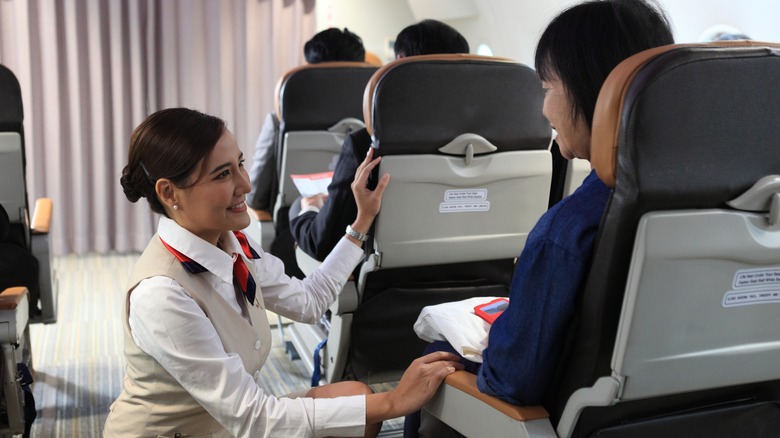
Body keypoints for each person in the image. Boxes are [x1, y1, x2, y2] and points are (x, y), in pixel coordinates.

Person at [105, 108, 464, 438]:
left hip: (227, 422)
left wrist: (361, 221)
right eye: (223, 174)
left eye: (240, 164)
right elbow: (255, 419)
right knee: (371, 407)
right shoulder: (161, 294)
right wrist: (395, 401)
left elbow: (308, 302)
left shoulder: (232, 244)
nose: (245, 184)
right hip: (189, 431)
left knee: (359, 403)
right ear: (169, 193)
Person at [405, 0, 674, 436]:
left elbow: (514, 378)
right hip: (704, 411)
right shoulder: (729, 204)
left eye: (548, 88)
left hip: (566, 421)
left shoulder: (569, 230)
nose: (544, 111)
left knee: (436, 357)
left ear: (592, 93)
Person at [290, 19, 470, 261]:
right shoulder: (493, 141)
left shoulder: (366, 144)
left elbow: (324, 243)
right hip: (484, 278)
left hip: (385, 286)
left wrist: (308, 210)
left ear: (398, 64)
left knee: (297, 208)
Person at [247, 27, 366, 222]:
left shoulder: (279, 122)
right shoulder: (382, 122)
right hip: (364, 221)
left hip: (295, 223)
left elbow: (256, 195)